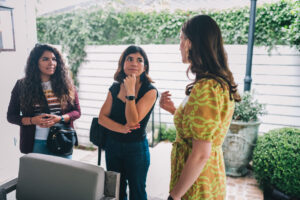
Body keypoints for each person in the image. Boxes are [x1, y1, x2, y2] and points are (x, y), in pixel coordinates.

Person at [160, 15, 241, 200]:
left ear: (189, 43)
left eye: (180, 40)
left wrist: (174, 196)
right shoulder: (215, 82)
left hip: (197, 182)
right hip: (204, 175)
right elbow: (204, 127)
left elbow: (200, 154)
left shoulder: (207, 88)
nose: (179, 46)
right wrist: (175, 111)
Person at [98, 45, 158, 200]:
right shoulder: (115, 87)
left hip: (136, 149)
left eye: (139, 60)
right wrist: (121, 128)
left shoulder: (150, 91)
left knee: (137, 191)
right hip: (113, 146)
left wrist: (130, 92)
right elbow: (102, 118)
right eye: (129, 59)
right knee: (116, 191)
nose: (134, 63)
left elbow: (133, 121)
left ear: (144, 68)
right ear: (123, 64)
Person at [7, 44, 81, 159]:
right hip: (37, 142)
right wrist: (32, 120)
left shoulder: (67, 85)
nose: (51, 63)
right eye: (45, 59)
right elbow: (11, 116)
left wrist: (60, 118)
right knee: (40, 177)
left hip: (62, 140)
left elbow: (77, 112)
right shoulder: (22, 86)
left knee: (63, 176)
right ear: (35, 62)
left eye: (54, 59)